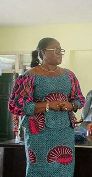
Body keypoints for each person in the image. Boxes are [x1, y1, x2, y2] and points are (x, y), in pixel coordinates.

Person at [8, 37, 85, 177]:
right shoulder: (29, 76)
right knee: (39, 171)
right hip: (39, 134)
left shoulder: (69, 75)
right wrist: (48, 105)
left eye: (61, 50)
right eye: (56, 50)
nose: (60, 53)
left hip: (64, 133)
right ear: (43, 52)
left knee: (64, 171)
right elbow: (17, 105)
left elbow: (79, 98)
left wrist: (71, 105)